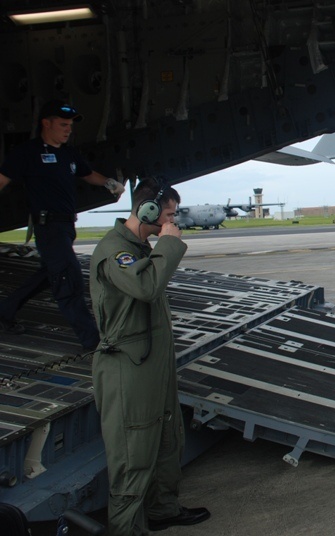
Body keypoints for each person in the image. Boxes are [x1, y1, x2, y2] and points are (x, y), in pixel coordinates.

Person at [90, 178, 209, 534]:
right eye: (169, 216)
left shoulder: (141, 248)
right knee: (134, 452)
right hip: (128, 366)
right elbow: (146, 287)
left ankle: (162, 510)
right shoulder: (116, 252)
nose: (173, 223)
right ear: (148, 212)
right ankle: (126, 528)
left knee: (167, 438)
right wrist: (170, 244)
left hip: (152, 362)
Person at [0, 100, 125, 350]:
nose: (68, 130)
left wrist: (110, 183)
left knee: (49, 275)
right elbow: (2, 179)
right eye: (63, 125)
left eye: (70, 125)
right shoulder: (27, 152)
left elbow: (87, 173)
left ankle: (4, 311)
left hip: (66, 228)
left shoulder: (69, 153)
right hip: (49, 228)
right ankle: (93, 342)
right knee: (69, 280)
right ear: (46, 124)